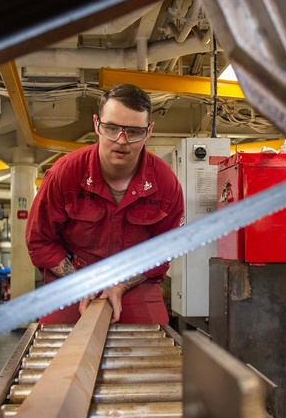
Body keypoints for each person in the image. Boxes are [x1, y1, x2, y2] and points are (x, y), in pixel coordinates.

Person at [26, 83, 185, 324]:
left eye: (133, 132)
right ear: (96, 124)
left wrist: (121, 285)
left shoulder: (165, 183)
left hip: (135, 285)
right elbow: (39, 241)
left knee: (160, 349)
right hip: (71, 284)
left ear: (149, 130)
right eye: (111, 128)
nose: (121, 141)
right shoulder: (65, 174)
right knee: (57, 355)